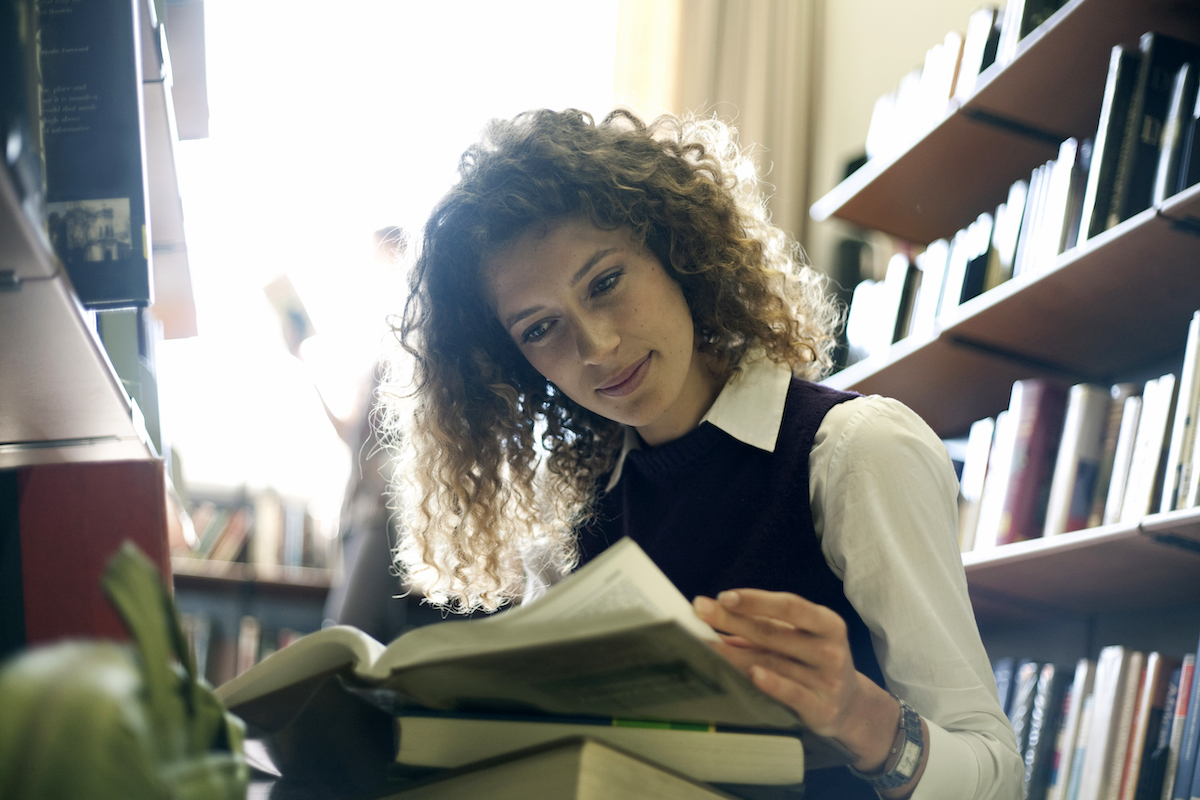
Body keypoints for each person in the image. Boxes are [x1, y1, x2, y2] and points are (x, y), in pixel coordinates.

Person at [385, 107, 1022, 799]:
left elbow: (998, 775)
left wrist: (861, 717)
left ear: (675, 253)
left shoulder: (854, 452)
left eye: (605, 283)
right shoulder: (572, 532)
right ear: (512, 366)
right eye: (541, 328)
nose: (596, 346)